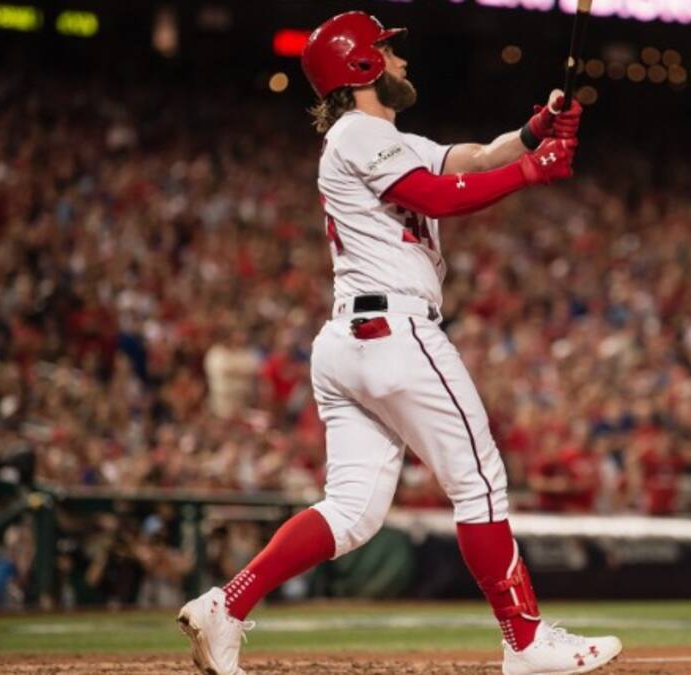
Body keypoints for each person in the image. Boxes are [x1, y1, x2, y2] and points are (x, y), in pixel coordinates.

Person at [177, 11, 621, 675]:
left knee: (351, 510)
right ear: (360, 66)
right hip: (396, 331)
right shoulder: (358, 133)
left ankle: (227, 604)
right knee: (480, 482)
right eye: (386, 50)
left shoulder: (381, 138)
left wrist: (534, 132)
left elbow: (474, 158)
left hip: (349, 340)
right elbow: (435, 196)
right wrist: (534, 171)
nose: (400, 59)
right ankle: (526, 642)